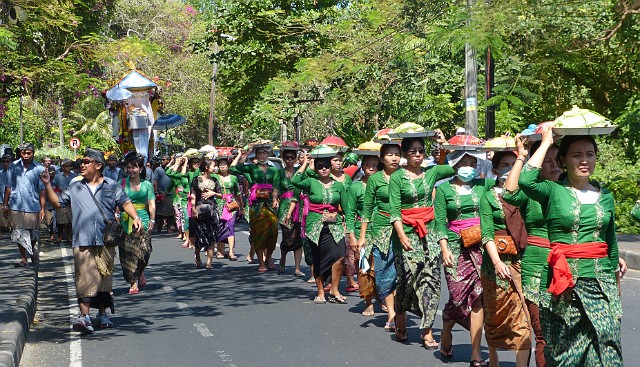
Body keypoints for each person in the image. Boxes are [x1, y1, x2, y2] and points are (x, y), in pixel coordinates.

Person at [519, 126, 623, 366]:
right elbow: (525, 180)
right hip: (564, 285)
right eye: (577, 155)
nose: (584, 160)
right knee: (567, 355)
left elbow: (611, 244)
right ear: (563, 160)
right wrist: (545, 142)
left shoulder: (606, 196)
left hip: (600, 284)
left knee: (608, 348)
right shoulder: (552, 191)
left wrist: (615, 293)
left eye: (590, 154)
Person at [40, 148, 142, 333]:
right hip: (83, 240)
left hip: (106, 241)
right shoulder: (75, 186)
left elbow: (125, 202)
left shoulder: (111, 185)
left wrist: (135, 217)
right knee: (85, 279)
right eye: (82, 162)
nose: (83, 165)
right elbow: (57, 203)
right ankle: (84, 316)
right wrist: (47, 184)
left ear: (98, 165)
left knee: (104, 280)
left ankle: (102, 314)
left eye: (87, 161)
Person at [388, 132, 453, 348]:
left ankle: (426, 331)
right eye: (413, 151)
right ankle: (400, 317)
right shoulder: (397, 177)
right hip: (405, 235)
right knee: (406, 282)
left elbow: (454, 164)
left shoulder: (431, 172)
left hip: (430, 234)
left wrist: (442, 143)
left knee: (432, 282)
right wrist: (402, 234)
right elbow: (395, 210)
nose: (417, 154)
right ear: (405, 154)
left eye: (421, 151)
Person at [502, 137, 561, 367]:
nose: (554, 165)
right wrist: (523, 156)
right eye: (547, 161)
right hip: (536, 267)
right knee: (543, 334)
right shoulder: (530, 191)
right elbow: (509, 193)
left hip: (569, 265)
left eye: (558, 160)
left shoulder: (570, 189)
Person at [435, 151, 494, 365]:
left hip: (480, 247)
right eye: (463, 163)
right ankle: (446, 329)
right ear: (454, 165)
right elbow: (440, 222)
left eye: (472, 163)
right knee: (458, 298)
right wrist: (444, 249)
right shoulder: (443, 189)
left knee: (478, 297)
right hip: (454, 248)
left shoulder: (483, 185)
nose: (468, 167)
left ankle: (476, 353)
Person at [479, 150, 531, 367]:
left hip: (522, 261)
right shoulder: (488, 197)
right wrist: (497, 262)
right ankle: (493, 359)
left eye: (514, 163)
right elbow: (486, 234)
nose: (511, 168)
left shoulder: (526, 194)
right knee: (495, 315)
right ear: (495, 170)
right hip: (495, 264)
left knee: (524, 320)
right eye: (506, 164)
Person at [292, 147, 349, 304]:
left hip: (334, 225)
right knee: (318, 258)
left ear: (330, 168)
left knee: (340, 256)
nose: (324, 169)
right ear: (315, 169)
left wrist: (345, 223)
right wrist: (305, 162)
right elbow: (295, 181)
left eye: (326, 166)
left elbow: (347, 209)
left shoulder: (339, 186)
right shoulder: (311, 182)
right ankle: (320, 291)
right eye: (320, 167)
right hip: (315, 225)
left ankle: (335, 289)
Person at [359, 143, 401, 325]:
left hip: (405, 230)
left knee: (402, 273)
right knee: (384, 272)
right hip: (381, 230)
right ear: (382, 158)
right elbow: (367, 209)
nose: (394, 158)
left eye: (397, 154)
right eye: (389, 154)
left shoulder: (406, 176)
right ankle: (392, 312)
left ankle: (400, 310)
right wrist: (362, 237)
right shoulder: (375, 180)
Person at [230, 144, 280, 272]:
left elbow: (275, 186)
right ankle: (261, 262)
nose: (262, 155)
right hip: (256, 204)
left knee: (273, 231)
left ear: (268, 155)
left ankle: (269, 257)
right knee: (258, 233)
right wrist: (245, 153)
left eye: (264, 153)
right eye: (260, 153)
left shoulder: (274, 170)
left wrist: (275, 198)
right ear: (256, 156)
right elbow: (236, 167)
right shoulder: (252, 168)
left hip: (269, 204)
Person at [345, 152, 379, 315]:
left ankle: (383, 297)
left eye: (374, 165)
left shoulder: (384, 185)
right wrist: (352, 236)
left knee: (381, 268)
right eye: (368, 165)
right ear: (362, 167)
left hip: (381, 231)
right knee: (364, 269)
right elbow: (350, 213)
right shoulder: (355, 187)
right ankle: (368, 302)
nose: (371, 168)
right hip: (361, 232)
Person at [2, 142, 45, 267]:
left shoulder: (39, 169)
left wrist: (42, 208)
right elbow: (8, 187)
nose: (26, 155)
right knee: (19, 233)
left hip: (33, 206)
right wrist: (5, 205)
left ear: (33, 154)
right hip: (16, 206)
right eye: (23, 153)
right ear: (20, 153)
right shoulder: (13, 167)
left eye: (28, 153)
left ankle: (32, 252)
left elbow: (42, 189)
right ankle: (23, 258)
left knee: (33, 234)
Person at [120, 154, 155, 294]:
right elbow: (118, 201)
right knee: (129, 253)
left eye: (134, 167)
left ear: (140, 169)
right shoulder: (122, 183)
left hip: (144, 220)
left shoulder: (147, 185)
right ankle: (133, 282)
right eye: (128, 167)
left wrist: (152, 219)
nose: (131, 170)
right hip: (126, 221)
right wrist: (117, 215)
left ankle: (140, 271)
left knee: (144, 252)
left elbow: (151, 203)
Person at [274, 145, 304, 275]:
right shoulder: (279, 172)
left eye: (292, 157)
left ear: (296, 159)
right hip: (285, 206)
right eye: (287, 158)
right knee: (287, 236)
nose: (290, 160)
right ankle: (283, 258)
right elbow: (275, 188)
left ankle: (297, 268)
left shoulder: (299, 171)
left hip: (299, 206)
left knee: (298, 237)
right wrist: (275, 199)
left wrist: (306, 161)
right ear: (283, 159)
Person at [190, 159, 221, 270]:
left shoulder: (215, 180)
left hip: (211, 211)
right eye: (214, 165)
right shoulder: (196, 180)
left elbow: (221, 195)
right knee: (199, 236)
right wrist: (193, 208)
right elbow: (192, 195)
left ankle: (209, 262)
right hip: (199, 211)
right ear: (207, 167)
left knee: (212, 236)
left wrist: (214, 193)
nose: (216, 167)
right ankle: (197, 255)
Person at [212, 156, 242, 261]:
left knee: (230, 227)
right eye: (220, 165)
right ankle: (220, 250)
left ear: (228, 166)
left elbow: (237, 192)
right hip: (218, 205)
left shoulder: (233, 178)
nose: (222, 166)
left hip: (231, 206)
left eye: (224, 164)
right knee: (220, 227)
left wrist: (241, 205)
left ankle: (231, 251)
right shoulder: (214, 177)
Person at [53, 159, 77, 244]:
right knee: (60, 221)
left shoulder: (74, 176)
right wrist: (58, 191)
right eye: (66, 166)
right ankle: (60, 237)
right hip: (61, 199)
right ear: (62, 167)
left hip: (71, 201)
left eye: (69, 166)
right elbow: (53, 186)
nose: (68, 168)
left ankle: (70, 237)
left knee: (71, 220)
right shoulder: (58, 176)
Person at [153, 154, 175, 234]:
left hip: (170, 193)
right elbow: (155, 181)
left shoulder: (172, 169)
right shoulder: (158, 170)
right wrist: (156, 191)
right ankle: (159, 227)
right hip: (161, 193)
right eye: (162, 160)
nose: (162, 161)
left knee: (169, 212)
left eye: (164, 159)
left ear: (168, 160)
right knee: (160, 212)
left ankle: (169, 227)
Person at [0, 154, 11, 234]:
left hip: (13, 200)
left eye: (7, 161)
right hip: (1, 199)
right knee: (2, 220)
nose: (5, 163)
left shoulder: (15, 173)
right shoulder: (0, 173)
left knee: (13, 220)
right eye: (3, 161)